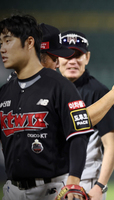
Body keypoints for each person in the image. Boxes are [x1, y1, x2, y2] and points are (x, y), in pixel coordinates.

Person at [0, 14, 94, 200]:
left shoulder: (61, 86)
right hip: (12, 190)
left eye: (8, 41)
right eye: (1, 42)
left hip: (52, 190)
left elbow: (79, 136)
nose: (2, 48)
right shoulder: (5, 91)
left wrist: (73, 183)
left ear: (29, 43)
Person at [59, 30, 114, 200]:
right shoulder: (50, 90)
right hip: (54, 182)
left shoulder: (97, 92)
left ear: (87, 57)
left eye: (78, 55)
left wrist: (100, 186)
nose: (72, 61)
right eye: (66, 55)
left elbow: (111, 145)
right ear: (57, 59)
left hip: (86, 181)